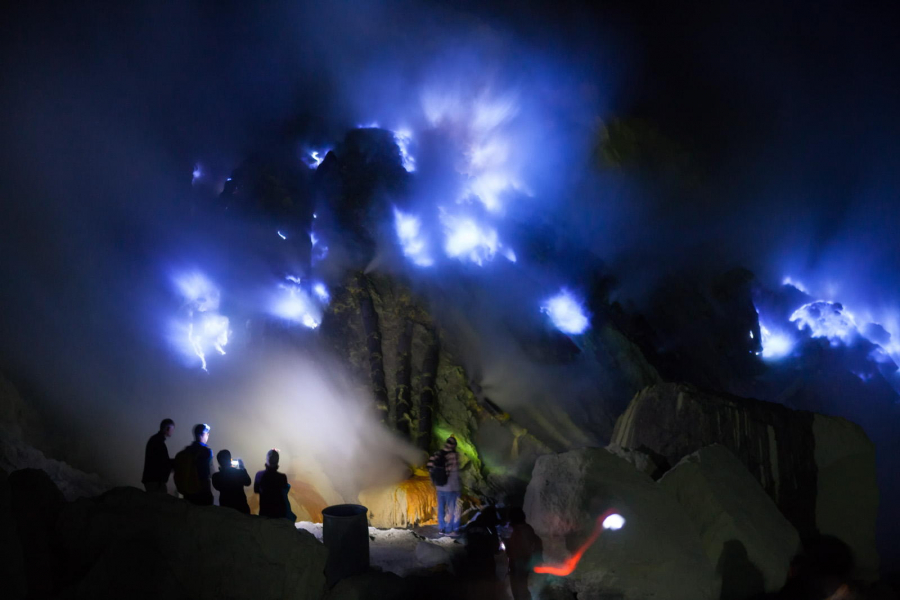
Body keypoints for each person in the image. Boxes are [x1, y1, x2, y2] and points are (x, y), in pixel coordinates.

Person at [504, 507, 543, 600]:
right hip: (525, 560)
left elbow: (509, 545)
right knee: (522, 586)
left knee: (518, 587)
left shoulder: (514, 530)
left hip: (517, 561)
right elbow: (536, 543)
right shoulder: (528, 528)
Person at [427, 436, 461, 534]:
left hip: (439, 486)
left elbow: (429, 466)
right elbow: (455, 472)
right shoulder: (453, 455)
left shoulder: (437, 454)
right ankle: (450, 529)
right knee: (452, 509)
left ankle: (441, 528)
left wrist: (434, 480)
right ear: (454, 445)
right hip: (451, 487)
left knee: (441, 508)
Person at [177, 423, 214, 506]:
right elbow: (209, 472)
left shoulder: (187, 451)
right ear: (202, 434)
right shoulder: (206, 452)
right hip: (202, 491)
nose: (208, 435)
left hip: (189, 489)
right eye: (207, 433)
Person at [254, 449, 295, 520]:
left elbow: (256, 490)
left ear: (267, 460)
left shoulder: (259, 475)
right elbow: (284, 492)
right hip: (279, 514)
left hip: (265, 512)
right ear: (277, 461)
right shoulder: (282, 477)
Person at [211, 449, 251, 514]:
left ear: (219, 462)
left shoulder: (216, 476)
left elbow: (217, 487)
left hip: (226, 508)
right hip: (241, 507)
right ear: (230, 460)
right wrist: (242, 467)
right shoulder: (239, 473)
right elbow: (248, 482)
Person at [141, 418, 175, 493]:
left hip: (152, 480)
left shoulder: (155, 440)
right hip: (155, 481)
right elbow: (163, 462)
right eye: (172, 429)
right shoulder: (158, 442)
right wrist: (178, 461)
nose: (173, 431)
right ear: (168, 429)